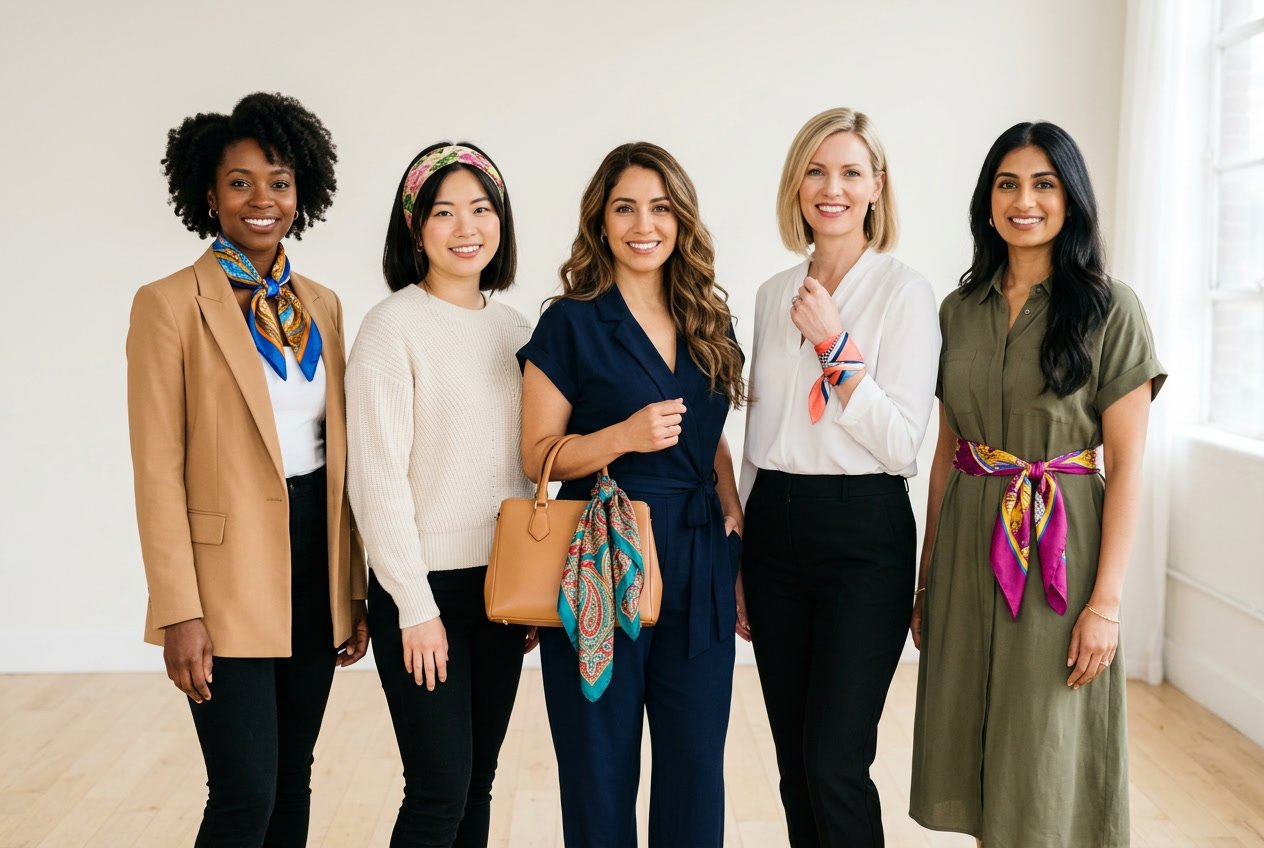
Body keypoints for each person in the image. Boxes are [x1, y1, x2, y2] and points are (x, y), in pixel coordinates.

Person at [909, 122, 1166, 848]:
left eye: (1044, 184)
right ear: (987, 201)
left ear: (1071, 199)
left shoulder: (1113, 308)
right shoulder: (958, 312)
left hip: (1062, 550)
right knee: (975, 745)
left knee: (1044, 755)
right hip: (968, 546)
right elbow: (946, 454)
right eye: (1007, 184)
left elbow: (1129, 467)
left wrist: (1107, 606)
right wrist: (927, 583)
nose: (1024, 201)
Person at [126, 91, 368, 848]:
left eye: (280, 181)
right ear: (208, 194)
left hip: (312, 561)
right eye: (240, 182)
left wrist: (351, 586)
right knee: (244, 793)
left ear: (304, 193)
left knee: (293, 779)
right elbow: (156, 469)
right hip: (222, 578)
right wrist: (179, 610)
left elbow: (340, 459)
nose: (262, 200)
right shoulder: (168, 305)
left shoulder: (323, 305)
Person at [517, 142, 745, 848]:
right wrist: (620, 436)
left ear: (681, 220)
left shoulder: (710, 320)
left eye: (659, 207)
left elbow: (707, 435)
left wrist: (732, 505)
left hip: (702, 556)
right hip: (601, 555)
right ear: (601, 221)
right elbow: (537, 458)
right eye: (624, 208)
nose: (643, 224)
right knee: (599, 770)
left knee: (695, 771)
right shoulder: (571, 323)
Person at [739, 107, 940, 847]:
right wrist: (743, 555)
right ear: (796, 186)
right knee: (794, 766)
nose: (833, 187)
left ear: (877, 187)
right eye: (817, 171)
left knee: (835, 762)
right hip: (776, 530)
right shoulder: (769, 295)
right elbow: (760, 436)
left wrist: (835, 345)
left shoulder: (904, 293)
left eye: (852, 172)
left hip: (864, 532)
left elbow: (901, 446)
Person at [346, 142, 535, 848]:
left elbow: (528, 467)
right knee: (437, 790)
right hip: (423, 591)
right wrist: (414, 607)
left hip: (502, 589)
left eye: (482, 210)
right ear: (414, 228)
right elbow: (377, 481)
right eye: (445, 212)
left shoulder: (518, 330)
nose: (466, 228)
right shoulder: (390, 328)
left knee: (477, 783)